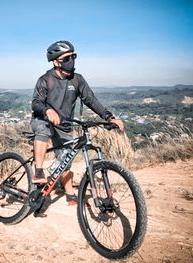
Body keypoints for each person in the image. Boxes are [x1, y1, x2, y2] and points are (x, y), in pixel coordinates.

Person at [31, 40, 124, 206]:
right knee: (43, 130)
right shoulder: (45, 80)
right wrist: (47, 110)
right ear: (55, 61)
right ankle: (38, 171)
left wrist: (109, 117)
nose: (71, 61)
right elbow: (36, 103)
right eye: (66, 58)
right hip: (42, 120)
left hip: (64, 125)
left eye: (73, 57)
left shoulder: (77, 80)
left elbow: (91, 100)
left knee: (66, 159)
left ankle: (69, 193)